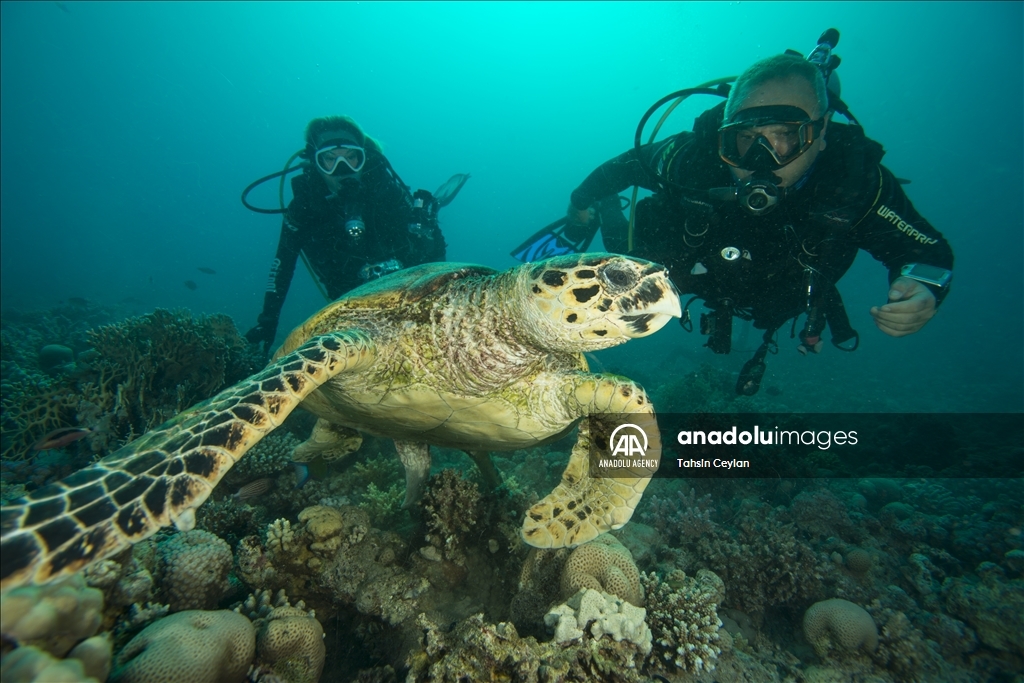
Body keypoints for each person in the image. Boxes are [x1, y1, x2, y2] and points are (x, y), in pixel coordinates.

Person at [565, 52, 954, 395]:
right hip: (684, 267)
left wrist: (923, 286)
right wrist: (581, 204)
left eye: (786, 135)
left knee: (773, 308)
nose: (762, 158)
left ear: (821, 134)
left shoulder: (853, 183)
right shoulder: (692, 156)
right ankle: (609, 212)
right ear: (724, 133)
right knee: (623, 269)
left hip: (779, 290)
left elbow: (926, 252)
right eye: (745, 138)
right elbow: (622, 166)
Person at [246, 116, 447, 352]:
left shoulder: (387, 191)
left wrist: (430, 228)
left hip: (414, 293)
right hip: (352, 311)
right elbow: (282, 265)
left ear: (365, 156)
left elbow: (435, 260)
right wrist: (268, 321)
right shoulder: (304, 208)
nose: (342, 169)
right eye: (329, 159)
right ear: (314, 161)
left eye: (352, 157)